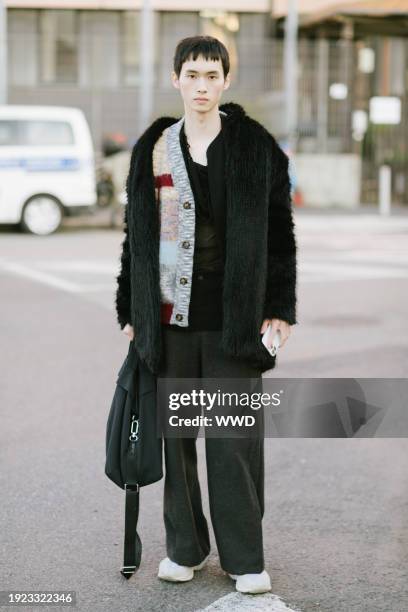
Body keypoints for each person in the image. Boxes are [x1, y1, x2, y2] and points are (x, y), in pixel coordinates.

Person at [115, 35, 297, 594]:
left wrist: (279, 308)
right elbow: (137, 235)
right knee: (177, 441)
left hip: (234, 318)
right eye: (191, 74)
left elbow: (278, 234)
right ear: (176, 79)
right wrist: (130, 306)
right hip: (169, 319)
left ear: (224, 81)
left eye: (211, 74)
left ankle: (245, 558)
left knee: (232, 439)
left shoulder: (254, 146)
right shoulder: (153, 147)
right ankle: (184, 549)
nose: (201, 84)